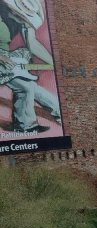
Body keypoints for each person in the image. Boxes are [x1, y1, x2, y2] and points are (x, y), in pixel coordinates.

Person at [0, 0, 61, 133]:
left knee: (34, 88)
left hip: (8, 57)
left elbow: (32, 43)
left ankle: (59, 112)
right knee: (25, 88)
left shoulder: (24, 19)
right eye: (23, 19)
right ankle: (24, 126)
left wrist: (53, 62)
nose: (24, 23)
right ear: (14, 10)